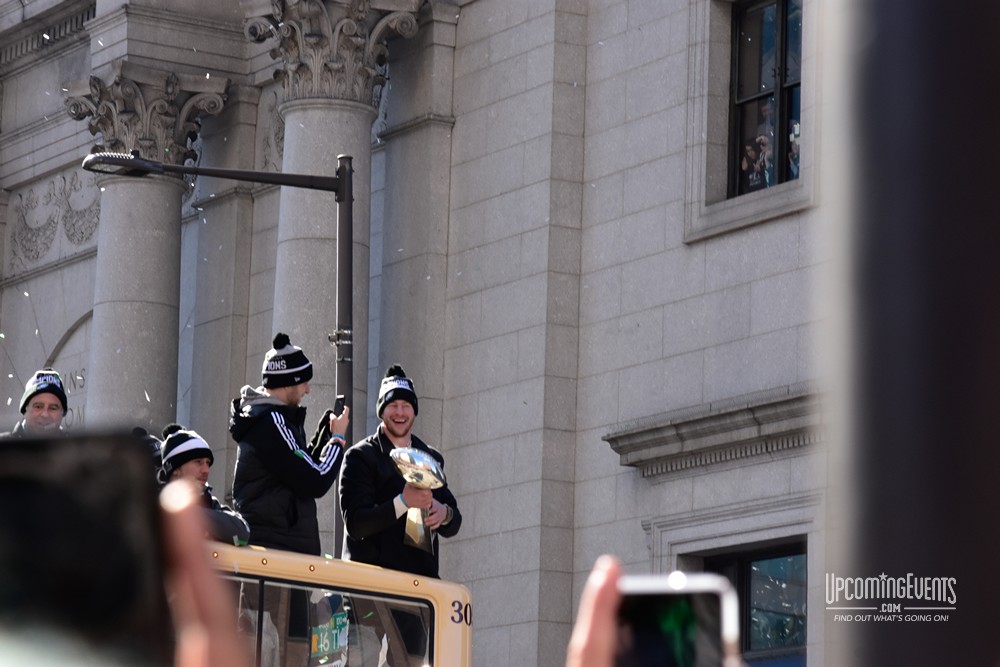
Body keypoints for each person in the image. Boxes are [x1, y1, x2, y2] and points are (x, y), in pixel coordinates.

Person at [230, 332, 349, 555]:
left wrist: (323, 436)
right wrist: (338, 439)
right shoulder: (271, 422)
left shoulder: (270, 420)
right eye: (304, 382)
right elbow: (316, 480)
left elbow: (298, 470)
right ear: (287, 383)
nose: (308, 390)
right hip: (275, 551)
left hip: (279, 548)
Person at [339, 364, 462, 579]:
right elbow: (356, 525)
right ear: (381, 411)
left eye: (406, 405)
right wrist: (403, 502)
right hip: (372, 585)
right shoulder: (360, 457)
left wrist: (444, 513)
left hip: (422, 587)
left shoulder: (429, 458)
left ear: (414, 411)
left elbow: (454, 520)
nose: (399, 412)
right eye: (392, 405)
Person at [158, 423, 249, 546]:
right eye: (198, 462)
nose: (206, 470)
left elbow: (242, 535)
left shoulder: (211, 503)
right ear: (175, 470)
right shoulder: (151, 504)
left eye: (207, 463)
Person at [4, 368, 68, 437]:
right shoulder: (3, 443)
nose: (45, 414)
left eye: (53, 408)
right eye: (38, 406)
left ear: (62, 413)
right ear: (25, 410)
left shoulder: (74, 443)